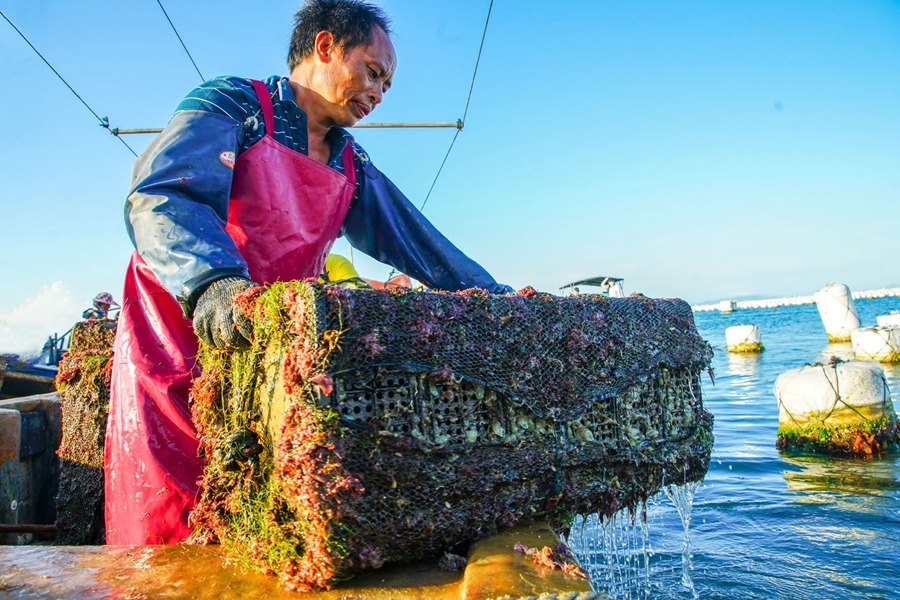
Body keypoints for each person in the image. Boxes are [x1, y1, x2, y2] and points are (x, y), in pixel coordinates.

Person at [106, 0, 511, 545]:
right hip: (179, 336)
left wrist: (498, 298)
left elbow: (420, 243)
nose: (379, 93)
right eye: (373, 72)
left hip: (270, 351)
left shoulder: (349, 163)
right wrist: (212, 284)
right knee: (172, 504)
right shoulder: (232, 105)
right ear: (324, 47)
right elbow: (160, 197)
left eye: (387, 85)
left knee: (265, 502)